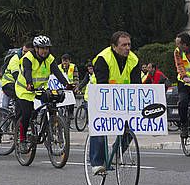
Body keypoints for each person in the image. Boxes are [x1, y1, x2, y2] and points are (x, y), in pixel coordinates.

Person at [89, 31, 141, 175]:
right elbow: (101, 85)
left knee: (133, 125)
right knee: (100, 128)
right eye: (123, 45)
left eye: (129, 44)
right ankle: (97, 163)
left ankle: (117, 152)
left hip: (121, 97)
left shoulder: (134, 60)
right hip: (98, 96)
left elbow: (137, 85)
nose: (127, 48)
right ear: (114, 46)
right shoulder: (103, 59)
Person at [15, 35, 72, 153]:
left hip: (40, 88)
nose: (45, 51)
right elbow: (27, 71)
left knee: (52, 102)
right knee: (27, 113)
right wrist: (29, 83)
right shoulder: (28, 58)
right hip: (25, 89)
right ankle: (22, 139)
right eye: (42, 48)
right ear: (36, 48)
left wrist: (66, 84)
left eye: (47, 48)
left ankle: (50, 126)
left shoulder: (50, 59)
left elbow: (57, 72)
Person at [1, 41, 33, 116]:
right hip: (8, 83)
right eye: (24, 51)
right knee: (21, 97)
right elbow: (16, 76)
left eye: (27, 52)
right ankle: (18, 121)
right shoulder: (15, 59)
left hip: (18, 84)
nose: (24, 54)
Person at [59, 54, 79, 123]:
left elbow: (76, 77)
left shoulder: (73, 67)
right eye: (63, 61)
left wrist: (76, 86)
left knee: (71, 99)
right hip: (62, 87)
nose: (64, 63)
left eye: (66, 61)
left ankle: (71, 113)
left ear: (69, 61)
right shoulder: (58, 67)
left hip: (71, 87)